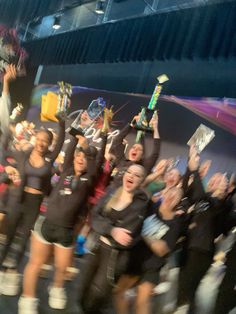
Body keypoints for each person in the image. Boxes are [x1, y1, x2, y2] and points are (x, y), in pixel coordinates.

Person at [18, 130, 107, 314]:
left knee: (62, 268)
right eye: (78, 156)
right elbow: (70, 147)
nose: (81, 158)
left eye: (85, 157)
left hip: (66, 232)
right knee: (35, 263)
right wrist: (76, 138)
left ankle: (56, 288)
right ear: (73, 158)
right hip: (46, 225)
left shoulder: (88, 179)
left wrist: (97, 139)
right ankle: (27, 298)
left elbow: (96, 161)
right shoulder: (65, 168)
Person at [0, 116, 65, 296]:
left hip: (34, 203)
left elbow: (60, 144)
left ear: (49, 144)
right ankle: (0, 269)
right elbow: (3, 152)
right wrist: (6, 168)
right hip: (17, 199)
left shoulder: (50, 159)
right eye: (40, 139)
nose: (42, 143)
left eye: (46, 141)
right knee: (10, 235)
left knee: (23, 240)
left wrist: (62, 123)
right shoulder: (23, 153)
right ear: (35, 138)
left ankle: (12, 273)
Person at [77, 164, 150, 314]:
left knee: (98, 293)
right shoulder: (112, 191)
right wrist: (112, 229)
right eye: (129, 172)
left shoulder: (140, 204)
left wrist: (105, 227)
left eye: (136, 175)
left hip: (114, 255)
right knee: (83, 285)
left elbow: (125, 234)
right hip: (96, 245)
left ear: (142, 181)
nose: (131, 176)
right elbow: (95, 216)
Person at [114, 187, 184, 314]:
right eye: (170, 193)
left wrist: (144, 232)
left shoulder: (175, 223)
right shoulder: (151, 208)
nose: (171, 197)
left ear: (178, 202)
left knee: (142, 303)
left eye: (176, 197)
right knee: (119, 293)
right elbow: (141, 189)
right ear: (164, 193)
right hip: (136, 261)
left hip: (152, 266)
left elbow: (162, 250)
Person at [175, 149, 228, 314]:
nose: (214, 181)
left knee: (186, 290)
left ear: (225, 187)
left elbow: (198, 194)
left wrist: (196, 169)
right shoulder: (205, 198)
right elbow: (185, 190)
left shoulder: (221, 204)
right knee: (184, 290)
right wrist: (190, 168)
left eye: (219, 181)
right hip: (188, 247)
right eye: (213, 179)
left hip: (201, 251)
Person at [110, 113, 160, 187]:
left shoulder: (143, 167)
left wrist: (155, 128)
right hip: (110, 194)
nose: (135, 150)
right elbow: (117, 140)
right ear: (129, 151)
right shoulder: (121, 160)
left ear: (142, 155)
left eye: (139, 149)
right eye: (133, 147)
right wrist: (132, 124)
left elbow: (155, 153)